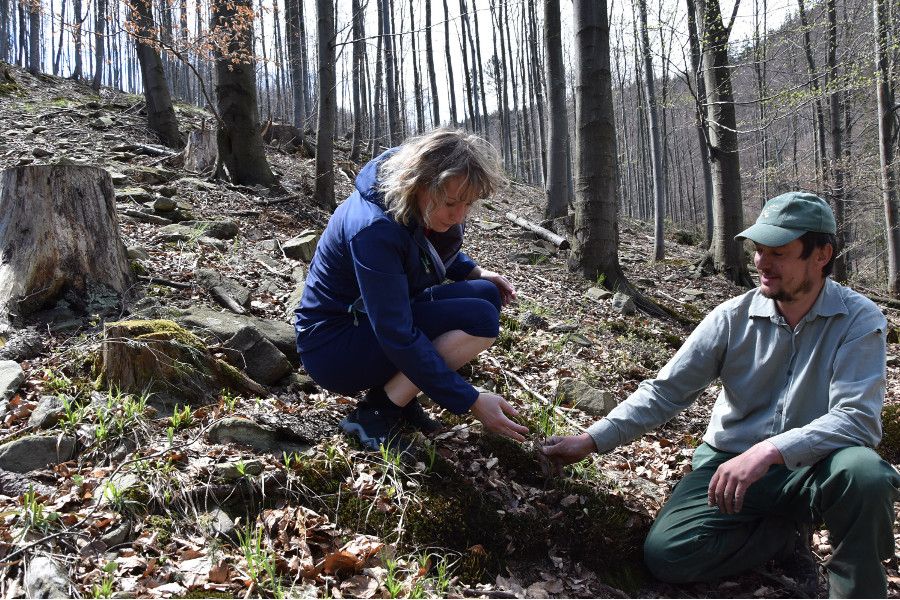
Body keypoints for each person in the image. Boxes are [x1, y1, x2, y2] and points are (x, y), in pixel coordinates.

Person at [542, 192, 900, 598]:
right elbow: (665, 392)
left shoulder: (858, 318)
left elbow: (857, 418)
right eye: (759, 250)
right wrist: (591, 440)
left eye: (778, 252)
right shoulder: (731, 318)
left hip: (813, 469)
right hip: (729, 465)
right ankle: (782, 538)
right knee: (668, 554)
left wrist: (768, 451)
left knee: (866, 474)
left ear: (821, 254)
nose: (762, 263)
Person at [294, 129, 529, 452]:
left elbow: (418, 246)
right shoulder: (374, 229)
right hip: (334, 346)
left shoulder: (408, 202)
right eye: (450, 203)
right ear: (418, 183)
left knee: (485, 294)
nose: (459, 216)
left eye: (468, 204)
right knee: (481, 319)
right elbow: (395, 332)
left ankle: (399, 397)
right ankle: (375, 413)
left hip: (367, 324)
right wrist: (470, 400)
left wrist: (475, 271)